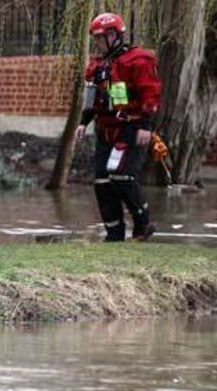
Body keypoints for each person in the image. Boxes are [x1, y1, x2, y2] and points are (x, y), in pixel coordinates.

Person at [75, 12, 161, 242]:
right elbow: (93, 99)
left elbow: (150, 94)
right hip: (106, 129)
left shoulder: (138, 60)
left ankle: (143, 225)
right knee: (102, 181)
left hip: (131, 127)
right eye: (95, 38)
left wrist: (145, 125)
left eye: (99, 38)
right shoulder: (97, 66)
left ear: (113, 35)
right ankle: (114, 235)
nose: (96, 43)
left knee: (122, 176)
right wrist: (83, 122)